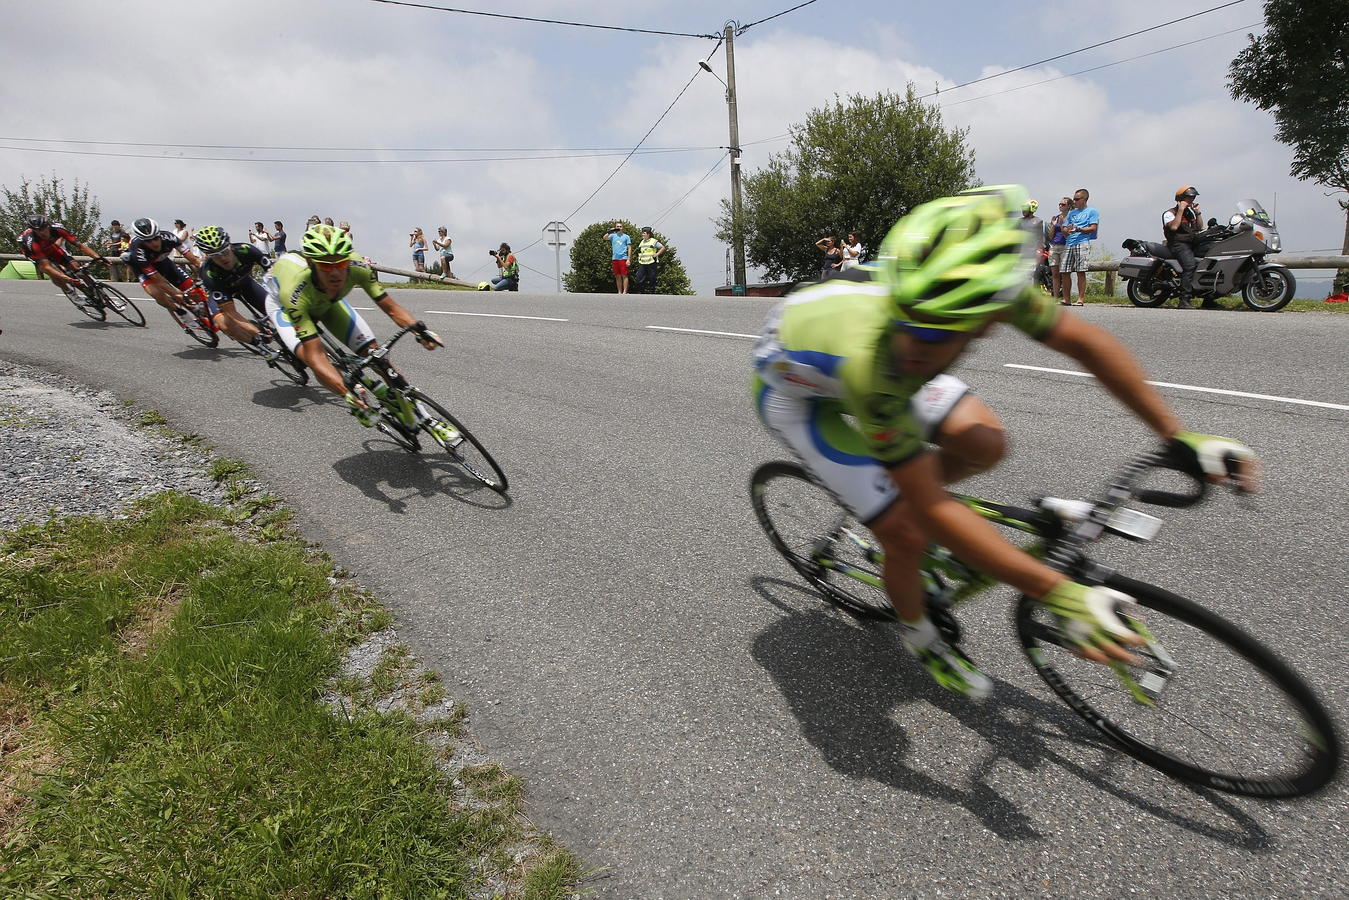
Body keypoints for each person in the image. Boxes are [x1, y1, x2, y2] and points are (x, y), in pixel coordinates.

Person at [752, 185, 1256, 699]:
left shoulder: (993, 293)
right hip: (799, 392)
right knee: (907, 528)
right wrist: (1056, 592)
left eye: (932, 333)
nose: (914, 344)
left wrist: (1180, 436)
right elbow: (926, 499)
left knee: (987, 444)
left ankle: (894, 502)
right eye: (911, 321)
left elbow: (1090, 346)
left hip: (858, 348)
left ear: (990, 321)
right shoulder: (889, 357)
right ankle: (918, 633)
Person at [262, 224, 456, 443]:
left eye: (340, 263)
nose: (335, 272)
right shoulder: (294, 293)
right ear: (311, 264)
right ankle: (351, 391)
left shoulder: (356, 265)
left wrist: (421, 331)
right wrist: (346, 393)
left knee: (377, 356)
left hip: (329, 301)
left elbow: (391, 307)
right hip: (285, 307)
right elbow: (316, 357)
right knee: (311, 356)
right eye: (326, 266)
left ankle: (426, 417)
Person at [194, 225, 280, 358]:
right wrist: (258, 333)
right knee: (224, 324)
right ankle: (258, 344)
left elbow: (274, 273)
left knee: (277, 311)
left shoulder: (245, 250)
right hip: (222, 291)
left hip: (246, 284)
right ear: (208, 256)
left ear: (230, 245)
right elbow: (232, 313)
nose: (223, 258)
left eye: (225, 251)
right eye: (216, 255)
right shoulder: (208, 273)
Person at [125, 217, 215, 333]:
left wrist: (209, 273)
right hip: (143, 270)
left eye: (156, 238)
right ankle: (179, 312)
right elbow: (157, 279)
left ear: (159, 234)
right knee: (158, 294)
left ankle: (202, 311)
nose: (154, 243)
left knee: (193, 291)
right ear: (142, 240)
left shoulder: (169, 237)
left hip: (164, 263)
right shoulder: (137, 251)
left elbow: (193, 259)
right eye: (148, 241)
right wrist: (176, 294)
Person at [19, 215, 108, 306]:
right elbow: (46, 267)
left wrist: (98, 258)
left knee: (77, 269)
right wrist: (67, 279)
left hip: (51, 247)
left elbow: (80, 246)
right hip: (35, 254)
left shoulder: (58, 228)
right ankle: (70, 293)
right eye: (38, 230)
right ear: (33, 230)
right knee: (55, 273)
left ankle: (99, 295)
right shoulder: (32, 242)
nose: (42, 232)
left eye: (44, 228)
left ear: (48, 225)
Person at [1163, 186, 1217, 310]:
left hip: (1192, 243)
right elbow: (1174, 228)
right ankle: (1184, 299)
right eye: (1189, 197)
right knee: (1190, 266)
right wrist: (1181, 210)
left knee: (1211, 263)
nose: (1191, 200)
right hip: (1178, 245)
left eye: (1193, 197)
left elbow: (1199, 227)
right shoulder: (1169, 213)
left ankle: (1209, 299)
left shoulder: (1190, 212)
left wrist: (1197, 212)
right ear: (1181, 199)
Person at [1059, 188, 1098, 306]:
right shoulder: (1072, 213)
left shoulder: (1092, 211)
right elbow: (1065, 229)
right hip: (1069, 243)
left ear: (1085, 199)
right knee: (1065, 271)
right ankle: (1066, 299)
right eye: (1074, 199)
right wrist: (1066, 230)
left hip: (1082, 242)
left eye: (1077, 199)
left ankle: (1080, 299)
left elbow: (1093, 228)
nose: (1074, 201)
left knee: (1081, 271)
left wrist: (1080, 229)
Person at [1047, 198, 1070, 303]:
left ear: (1069, 206)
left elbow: (1067, 234)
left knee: (1064, 273)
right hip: (1054, 246)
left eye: (1063, 204)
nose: (1060, 206)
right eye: (1059, 204)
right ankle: (1055, 297)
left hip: (1065, 246)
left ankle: (1066, 297)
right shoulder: (1055, 217)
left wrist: (1061, 225)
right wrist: (1053, 225)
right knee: (1055, 273)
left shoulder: (1071, 217)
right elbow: (1050, 236)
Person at [632, 227, 664, 293]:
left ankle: (652, 292)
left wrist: (657, 254)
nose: (642, 235)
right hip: (643, 262)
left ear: (648, 234)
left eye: (644, 233)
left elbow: (662, 247)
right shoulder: (642, 242)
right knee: (639, 277)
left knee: (652, 278)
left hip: (651, 262)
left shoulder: (653, 241)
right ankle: (641, 292)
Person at [605, 222, 632, 294]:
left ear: (622, 228)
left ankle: (625, 291)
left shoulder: (626, 236)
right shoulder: (613, 236)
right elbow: (604, 238)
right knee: (617, 276)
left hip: (623, 258)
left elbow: (629, 248)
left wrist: (628, 259)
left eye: (620, 226)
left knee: (624, 275)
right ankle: (619, 291)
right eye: (617, 226)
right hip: (615, 258)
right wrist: (610, 231)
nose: (619, 228)